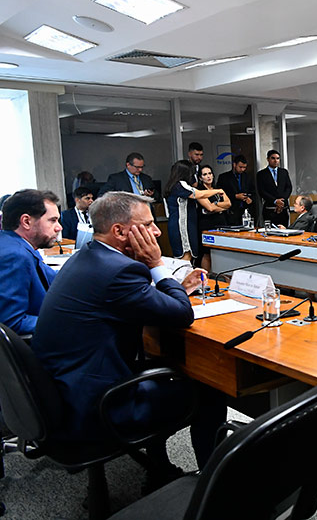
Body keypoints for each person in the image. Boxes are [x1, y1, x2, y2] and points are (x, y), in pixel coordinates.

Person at [31, 191, 226, 484]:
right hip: (95, 406)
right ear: (120, 231)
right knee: (210, 390)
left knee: (159, 371)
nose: (157, 231)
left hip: (62, 393)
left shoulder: (88, 257)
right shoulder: (121, 271)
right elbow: (181, 315)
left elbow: (130, 300)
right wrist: (157, 265)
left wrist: (173, 289)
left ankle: (158, 468)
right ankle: (212, 490)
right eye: (148, 225)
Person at [0, 189, 61, 335]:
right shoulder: (15, 256)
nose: (59, 227)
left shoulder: (15, 245)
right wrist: (65, 321)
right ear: (26, 221)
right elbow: (11, 322)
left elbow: (51, 276)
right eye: (52, 220)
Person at [165, 160, 225, 261]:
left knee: (188, 255)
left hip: (183, 223)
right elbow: (199, 194)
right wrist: (218, 191)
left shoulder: (174, 184)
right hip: (182, 225)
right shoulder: (180, 184)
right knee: (186, 255)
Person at [196, 164, 231, 271]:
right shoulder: (199, 190)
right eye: (205, 174)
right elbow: (210, 208)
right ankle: (206, 278)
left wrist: (216, 205)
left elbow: (228, 203)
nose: (208, 176)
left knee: (223, 253)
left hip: (221, 222)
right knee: (207, 253)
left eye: (210, 173)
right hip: (206, 224)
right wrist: (220, 206)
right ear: (200, 178)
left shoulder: (217, 188)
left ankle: (225, 277)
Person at [256, 149, 292, 226]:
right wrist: (275, 201)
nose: (276, 161)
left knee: (284, 231)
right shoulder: (261, 174)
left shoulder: (283, 172)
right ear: (268, 159)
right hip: (270, 208)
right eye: (273, 158)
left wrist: (282, 201)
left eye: (278, 158)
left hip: (283, 208)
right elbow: (261, 191)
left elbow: (289, 187)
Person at [216, 154, 254, 226]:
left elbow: (253, 191)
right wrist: (235, 196)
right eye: (240, 167)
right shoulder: (224, 177)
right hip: (231, 211)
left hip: (245, 211)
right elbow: (220, 194)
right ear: (234, 165)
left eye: (244, 167)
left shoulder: (247, 177)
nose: (242, 169)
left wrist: (250, 198)